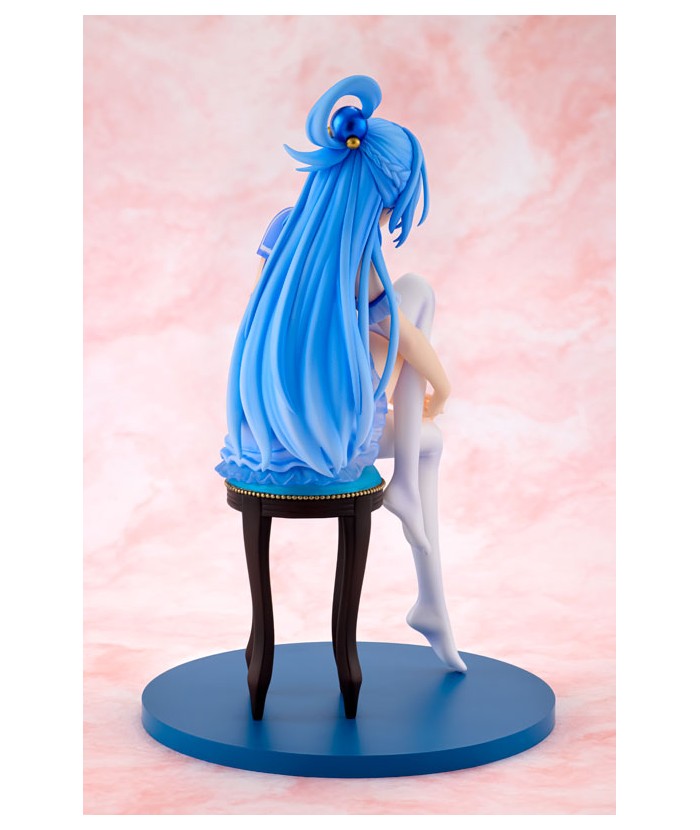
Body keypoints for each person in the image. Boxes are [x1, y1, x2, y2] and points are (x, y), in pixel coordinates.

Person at [217, 76, 466, 672]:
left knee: (409, 301)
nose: (388, 215)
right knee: (418, 306)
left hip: (261, 430)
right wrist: (443, 386)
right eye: (389, 203)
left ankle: (423, 566)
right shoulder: (358, 261)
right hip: (331, 442)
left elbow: (268, 318)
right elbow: (404, 336)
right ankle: (415, 526)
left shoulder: (283, 230)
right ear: (375, 196)